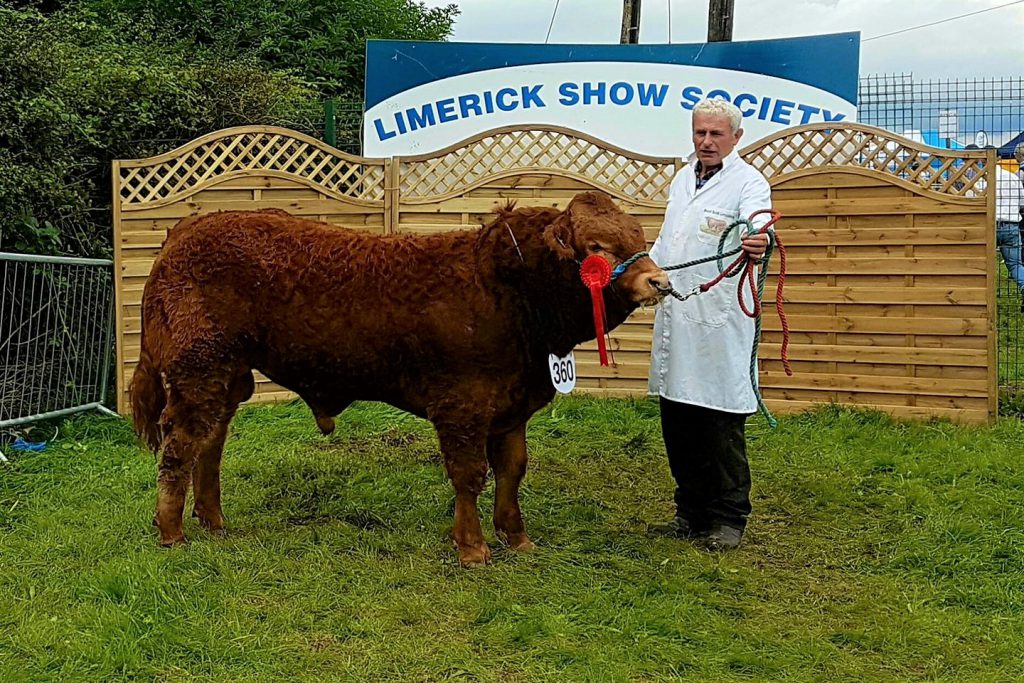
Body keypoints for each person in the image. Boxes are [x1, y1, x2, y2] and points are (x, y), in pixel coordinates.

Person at [647, 98, 772, 551]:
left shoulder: (749, 183)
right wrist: (646, 275)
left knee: (719, 424)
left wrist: (759, 239)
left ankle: (727, 519)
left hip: (719, 322)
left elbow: (759, 222)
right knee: (678, 421)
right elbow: (667, 239)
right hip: (678, 317)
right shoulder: (683, 179)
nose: (706, 141)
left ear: (736, 138)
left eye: (716, 134)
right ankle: (689, 511)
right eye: (700, 133)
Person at [965, 144, 1024, 310]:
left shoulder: (977, 178)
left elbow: (970, 201)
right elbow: (1021, 203)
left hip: (986, 225)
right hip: (1011, 225)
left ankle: (977, 298)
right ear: (999, 158)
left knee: (979, 263)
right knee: (1015, 265)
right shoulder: (1013, 177)